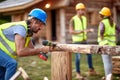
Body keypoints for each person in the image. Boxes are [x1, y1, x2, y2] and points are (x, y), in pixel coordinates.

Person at [0, 8, 51, 80]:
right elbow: (20, 52)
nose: (40, 28)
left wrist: (42, 52)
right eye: (40, 25)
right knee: (11, 64)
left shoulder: (28, 32)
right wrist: (41, 49)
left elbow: (32, 49)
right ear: (33, 21)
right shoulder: (21, 29)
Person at [69, 3, 97, 79]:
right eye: (81, 10)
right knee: (78, 58)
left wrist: (88, 31)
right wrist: (82, 31)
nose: (82, 11)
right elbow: (71, 31)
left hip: (84, 40)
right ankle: (78, 73)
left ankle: (91, 70)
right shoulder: (73, 19)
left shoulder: (84, 18)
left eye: (83, 9)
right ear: (77, 10)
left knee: (89, 54)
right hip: (76, 41)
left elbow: (84, 29)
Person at [98, 7, 120, 80]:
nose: (100, 15)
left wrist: (101, 37)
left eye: (101, 13)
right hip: (112, 45)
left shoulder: (102, 22)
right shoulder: (112, 23)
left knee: (106, 62)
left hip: (105, 44)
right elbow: (119, 29)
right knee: (109, 62)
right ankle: (109, 76)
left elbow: (101, 30)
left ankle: (108, 78)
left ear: (103, 15)